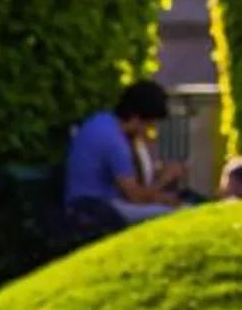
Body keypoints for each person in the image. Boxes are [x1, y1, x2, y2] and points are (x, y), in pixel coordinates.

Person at [63, 80, 183, 240]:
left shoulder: (103, 122)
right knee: (172, 215)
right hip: (94, 210)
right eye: (149, 124)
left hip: (89, 205)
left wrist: (160, 198)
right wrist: (165, 178)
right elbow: (136, 197)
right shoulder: (114, 141)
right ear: (137, 118)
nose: (149, 130)